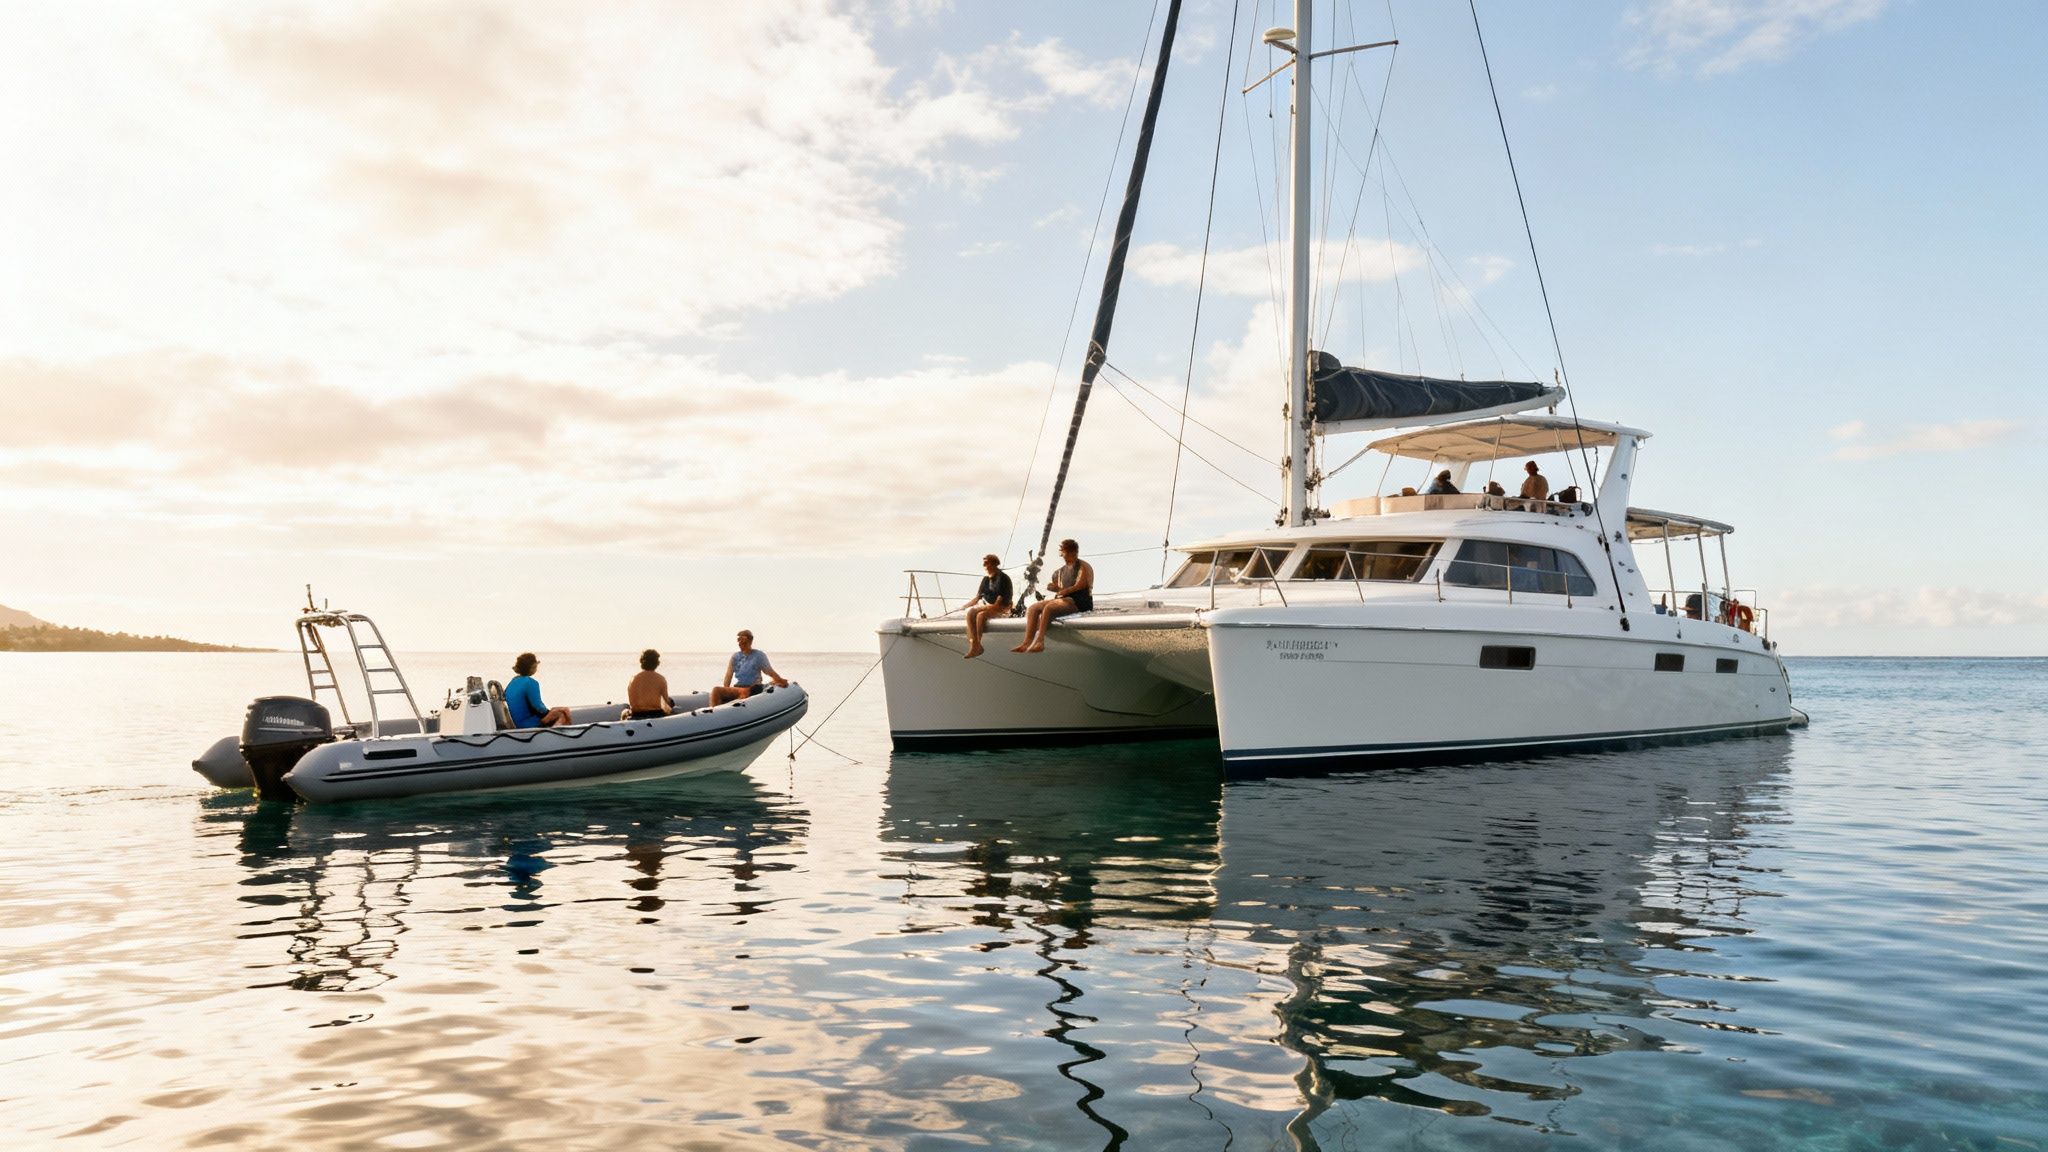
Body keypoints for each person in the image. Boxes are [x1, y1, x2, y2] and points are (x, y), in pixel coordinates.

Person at [1014, 539, 1093, 654]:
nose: (1061, 554)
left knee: (1049, 607)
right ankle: (1027, 642)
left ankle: (1040, 641)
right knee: (1033, 608)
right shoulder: (1060, 571)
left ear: (1072, 552)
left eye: (1063, 552)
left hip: (1079, 601)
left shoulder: (1083, 567)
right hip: (1064, 599)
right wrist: (1053, 588)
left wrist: (1058, 590)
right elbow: (1059, 590)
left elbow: (1078, 587)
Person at [711, 629, 788, 705]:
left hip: (753, 688)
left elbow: (770, 671)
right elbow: (728, 676)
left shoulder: (758, 655)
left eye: (743, 639)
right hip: (739, 688)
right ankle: (715, 713)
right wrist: (726, 690)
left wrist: (780, 680)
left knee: (739, 691)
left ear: (750, 640)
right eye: (739, 639)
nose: (740, 642)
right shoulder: (735, 657)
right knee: (717, 691)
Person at [962, 553, 1013, 659]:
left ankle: (976, 645)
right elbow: (977, 598)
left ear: (994, 564)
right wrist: (964, 607)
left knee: (980, 615)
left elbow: (998, 604)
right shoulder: (986, 580)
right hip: (991, 607)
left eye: (986, 563)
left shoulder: (1002, 578)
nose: (984, 565)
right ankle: (975, 645)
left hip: (1002, 608)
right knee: (971, 612)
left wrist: (984, 608)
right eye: (984, 563)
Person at [505, 652, 574, 728]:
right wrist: (550, 713)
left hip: (516, 723)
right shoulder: (531, 682)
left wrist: (551, 711)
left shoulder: (512, 682)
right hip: (529, 723)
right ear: (532, 667)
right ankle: (554, 735)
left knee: (560, 710)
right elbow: (539, 707)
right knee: (563, 714)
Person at [626, 648, 672, 720]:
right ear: (657, 663)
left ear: (642, 662)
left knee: (624, 712)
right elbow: (667, 701)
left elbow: (631, 700)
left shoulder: (633, 679)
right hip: (655, 714)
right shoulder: (661, 679)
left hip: (636, 715)